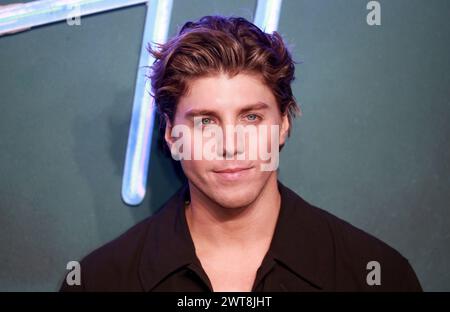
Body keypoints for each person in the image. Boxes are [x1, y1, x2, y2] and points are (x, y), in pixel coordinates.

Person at [60, 15, 422, 292]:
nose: (231, 144)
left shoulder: (374, 275)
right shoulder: (100, 282)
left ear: (283, 123)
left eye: (251, 117)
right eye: (206, 121)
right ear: (171, 134)